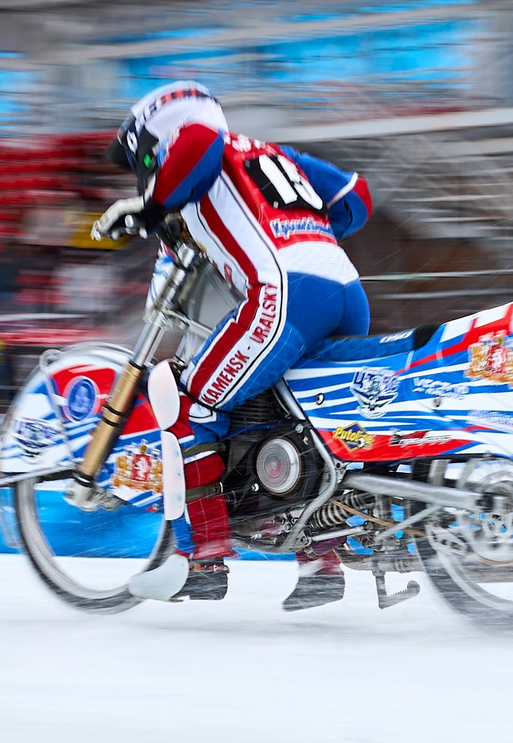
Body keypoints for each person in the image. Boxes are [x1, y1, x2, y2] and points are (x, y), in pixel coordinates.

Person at [93, 81, 372, 610]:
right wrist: (302, 228)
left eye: (143, 158)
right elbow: (355, 198)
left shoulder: (200, 145)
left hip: (287, 295)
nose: (145, 170)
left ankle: (203, 558)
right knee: (299, 424)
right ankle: (320, 564)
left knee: (184, 398)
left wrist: (149, 207)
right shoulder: (271, 157)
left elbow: (197, 141)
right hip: (345, 289)